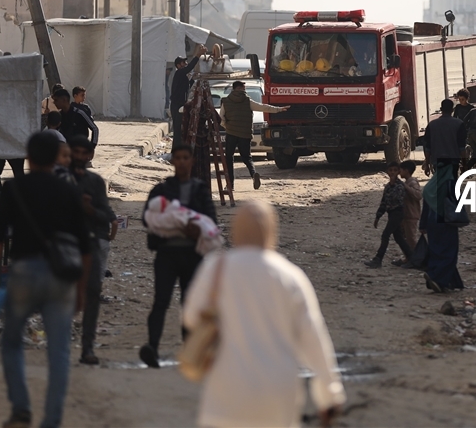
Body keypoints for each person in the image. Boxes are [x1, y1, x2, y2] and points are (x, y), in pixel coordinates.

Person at [182, 201, 345, 428]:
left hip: (226, 395)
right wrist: (329, 394)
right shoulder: (290, 276)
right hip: (277, 397)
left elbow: (190, 317)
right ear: (271, 231)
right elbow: (313, 340)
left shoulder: (215, 269)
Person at [0, 132, 92, 428]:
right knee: (59, 351)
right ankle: (51, 421)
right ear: (57, 156)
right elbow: (86, 248)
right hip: (60, 277)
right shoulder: (69, 191)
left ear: (28, 157)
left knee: (13, 342)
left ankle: (21, 409)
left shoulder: (14, 188)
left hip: (25, 273)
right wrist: (81, 290)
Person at [140, 144, 216, 369]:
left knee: (189, 303)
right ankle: (152, 347)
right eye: (178, 158)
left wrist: (195, 229)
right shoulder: (161, 190)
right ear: (172, 161)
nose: (182, 162)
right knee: (161, 301)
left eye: (186, 158)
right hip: (166, 253)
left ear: (191, 161)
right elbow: (147, 218)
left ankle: (190, 350)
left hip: (192, 255)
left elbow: (211, 220)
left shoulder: (200, 190)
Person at [67, 136, 114, 365]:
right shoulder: (61, 179)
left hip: (91, 242)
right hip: (66, 244)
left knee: (93, 292)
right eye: (74, 152)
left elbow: (106, 215)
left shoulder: (95, 183)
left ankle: (87, 347)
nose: (78, 157)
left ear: (89, 156)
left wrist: (90, 209)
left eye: (82, 153)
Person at [421, 99, 467, 293]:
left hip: (438, 168)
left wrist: (427, 161)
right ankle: (443, 279)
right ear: (454, 109)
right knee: (449, 242)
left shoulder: (432, 125)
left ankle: (452, 281)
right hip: (451, 168)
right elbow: (462, 149)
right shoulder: (459, 124)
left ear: (441, 109)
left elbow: (428, 147)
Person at [220, 80, 289, 191]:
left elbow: (221, 117)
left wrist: (227, 127)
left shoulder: (225, 101)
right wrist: (279, 109)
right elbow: (263, 107)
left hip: (231, 133)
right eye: (244, 88)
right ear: (241, 89)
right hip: (245, 134)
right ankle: (253, 174)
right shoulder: (247, 101)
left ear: (233, 89)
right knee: (247, 157)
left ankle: (230, 184)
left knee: (229, 158)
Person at [366, 162, 412, 268]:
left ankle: (378, 259)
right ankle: (412, 257)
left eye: (395, 170)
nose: (392, 172)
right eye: (390, 170)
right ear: (387, 172)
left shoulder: (400, 186)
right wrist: (378, 216)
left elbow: (397, 200)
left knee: (386, 234)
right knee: (398, 237)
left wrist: (392, 184)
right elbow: (384, 202)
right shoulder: (387, 187)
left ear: (398, 172)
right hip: (391, 214)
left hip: (398, 213)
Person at [398, 160, 422, 255]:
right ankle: (408, 257)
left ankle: (417, 258)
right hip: (406, 215)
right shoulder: (408, 182)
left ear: (406, 171)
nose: (400, 172)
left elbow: (418, 195)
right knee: (406, 238)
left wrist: (405, 187)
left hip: (411, 215)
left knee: (411, 239)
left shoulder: (412, 182)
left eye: (401, 170)